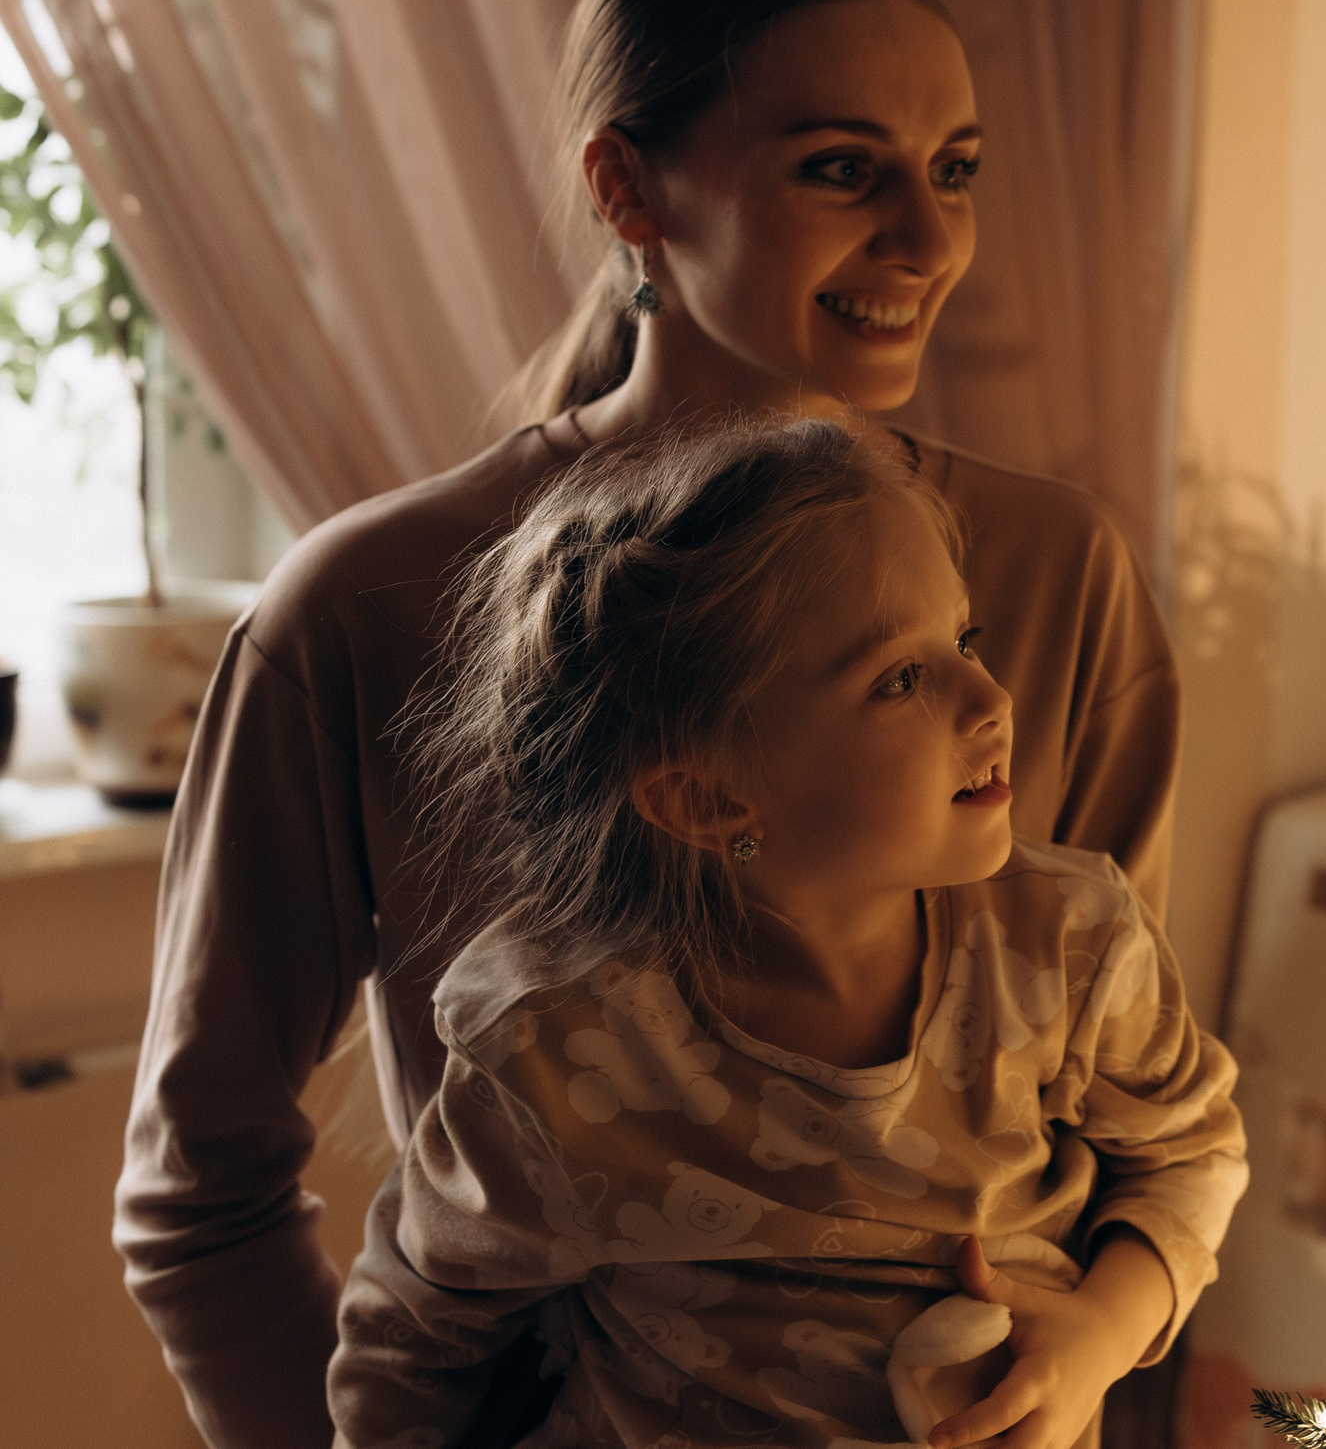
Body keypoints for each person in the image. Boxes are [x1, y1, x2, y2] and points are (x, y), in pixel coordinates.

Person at [116, 0, 1182, 1449]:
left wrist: (1091, 1347)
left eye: (955, 169)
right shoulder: (362, 607)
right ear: (628, 185)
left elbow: (1131, 1136)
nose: (929, 239)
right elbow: (201, 1191)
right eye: (840, 166)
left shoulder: (1055, 573)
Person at [329, 418, 1243, 1449]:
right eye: (900, 679)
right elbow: (415, 1335)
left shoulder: (1071, 943)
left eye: (965, 643)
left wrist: (1103, 1333)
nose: (991, 699)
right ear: (708, 800)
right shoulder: (554, 1049)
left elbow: (1189, 1155)